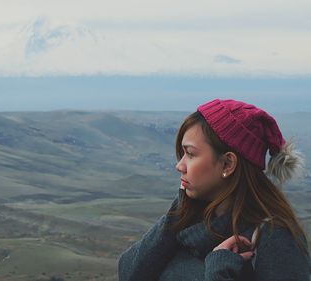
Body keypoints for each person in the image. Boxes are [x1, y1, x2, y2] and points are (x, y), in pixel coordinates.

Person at [118, 99, 310, 281]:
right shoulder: (191, 218)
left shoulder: (274, 237)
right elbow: (129, 273)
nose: (180, 165)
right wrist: (177, 213)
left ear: (227, 164)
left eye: (191, 154)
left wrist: (218, 274)